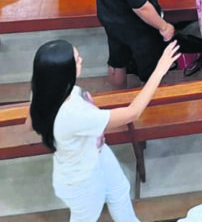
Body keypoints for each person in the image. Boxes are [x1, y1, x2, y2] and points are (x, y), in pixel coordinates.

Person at [30, 37, 177, 222]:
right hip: (82, 179)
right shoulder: (73, 115)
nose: (81, 59)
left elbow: (32, 118)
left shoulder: (45, 89)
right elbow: (133, 113)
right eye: (76, 60)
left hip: (95, 152)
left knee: (119, 190)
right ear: (64, 73)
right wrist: (159, 70)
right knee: (86, 216)